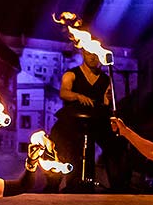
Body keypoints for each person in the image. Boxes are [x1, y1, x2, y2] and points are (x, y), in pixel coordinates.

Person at [45, 49, 127, 193]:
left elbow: (106, 103)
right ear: (83, 54)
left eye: (95, 55)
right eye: (89, 54)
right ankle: (54, 185)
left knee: (116, 144)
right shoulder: (71, 74)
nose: (92, 58)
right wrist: (78, 96)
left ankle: (118, 186)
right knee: (60, 143)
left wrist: (108, 99)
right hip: (72, 120)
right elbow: (64, 92)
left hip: (96, 120)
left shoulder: (106, 79)